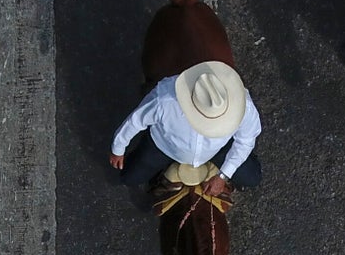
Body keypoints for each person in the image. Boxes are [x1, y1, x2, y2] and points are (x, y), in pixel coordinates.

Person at [111, 60, 262, 194]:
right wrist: (118, 148)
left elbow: (246, 140)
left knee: (253, 178)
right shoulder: (165, 99)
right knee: (128, 178)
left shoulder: (244, 106)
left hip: (218, 148)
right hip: (165, 146)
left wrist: (223, 175)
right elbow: (136, 120)